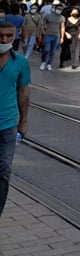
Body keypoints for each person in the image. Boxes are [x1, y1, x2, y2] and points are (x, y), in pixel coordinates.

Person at [0, 20, 30, 219]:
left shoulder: (21, 62)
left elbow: (23, 92)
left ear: (15, 36)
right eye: (1, 36)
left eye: (9, 36)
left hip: (8, 126)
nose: (4, 40)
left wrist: (24, 120)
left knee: (3, 172)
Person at [40, 1, 64, 71]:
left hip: (56, 35)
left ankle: (49, 64)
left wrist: (62, 37)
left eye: (61, 9)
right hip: (48, 34)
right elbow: (43, 24)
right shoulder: (48, 16)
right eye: (58, 8)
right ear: (55, 8)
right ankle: (43, 62)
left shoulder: (62, 17)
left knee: (53, 51)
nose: (59, 10)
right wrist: (43, 31)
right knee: (46, 50)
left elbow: (62, 27)